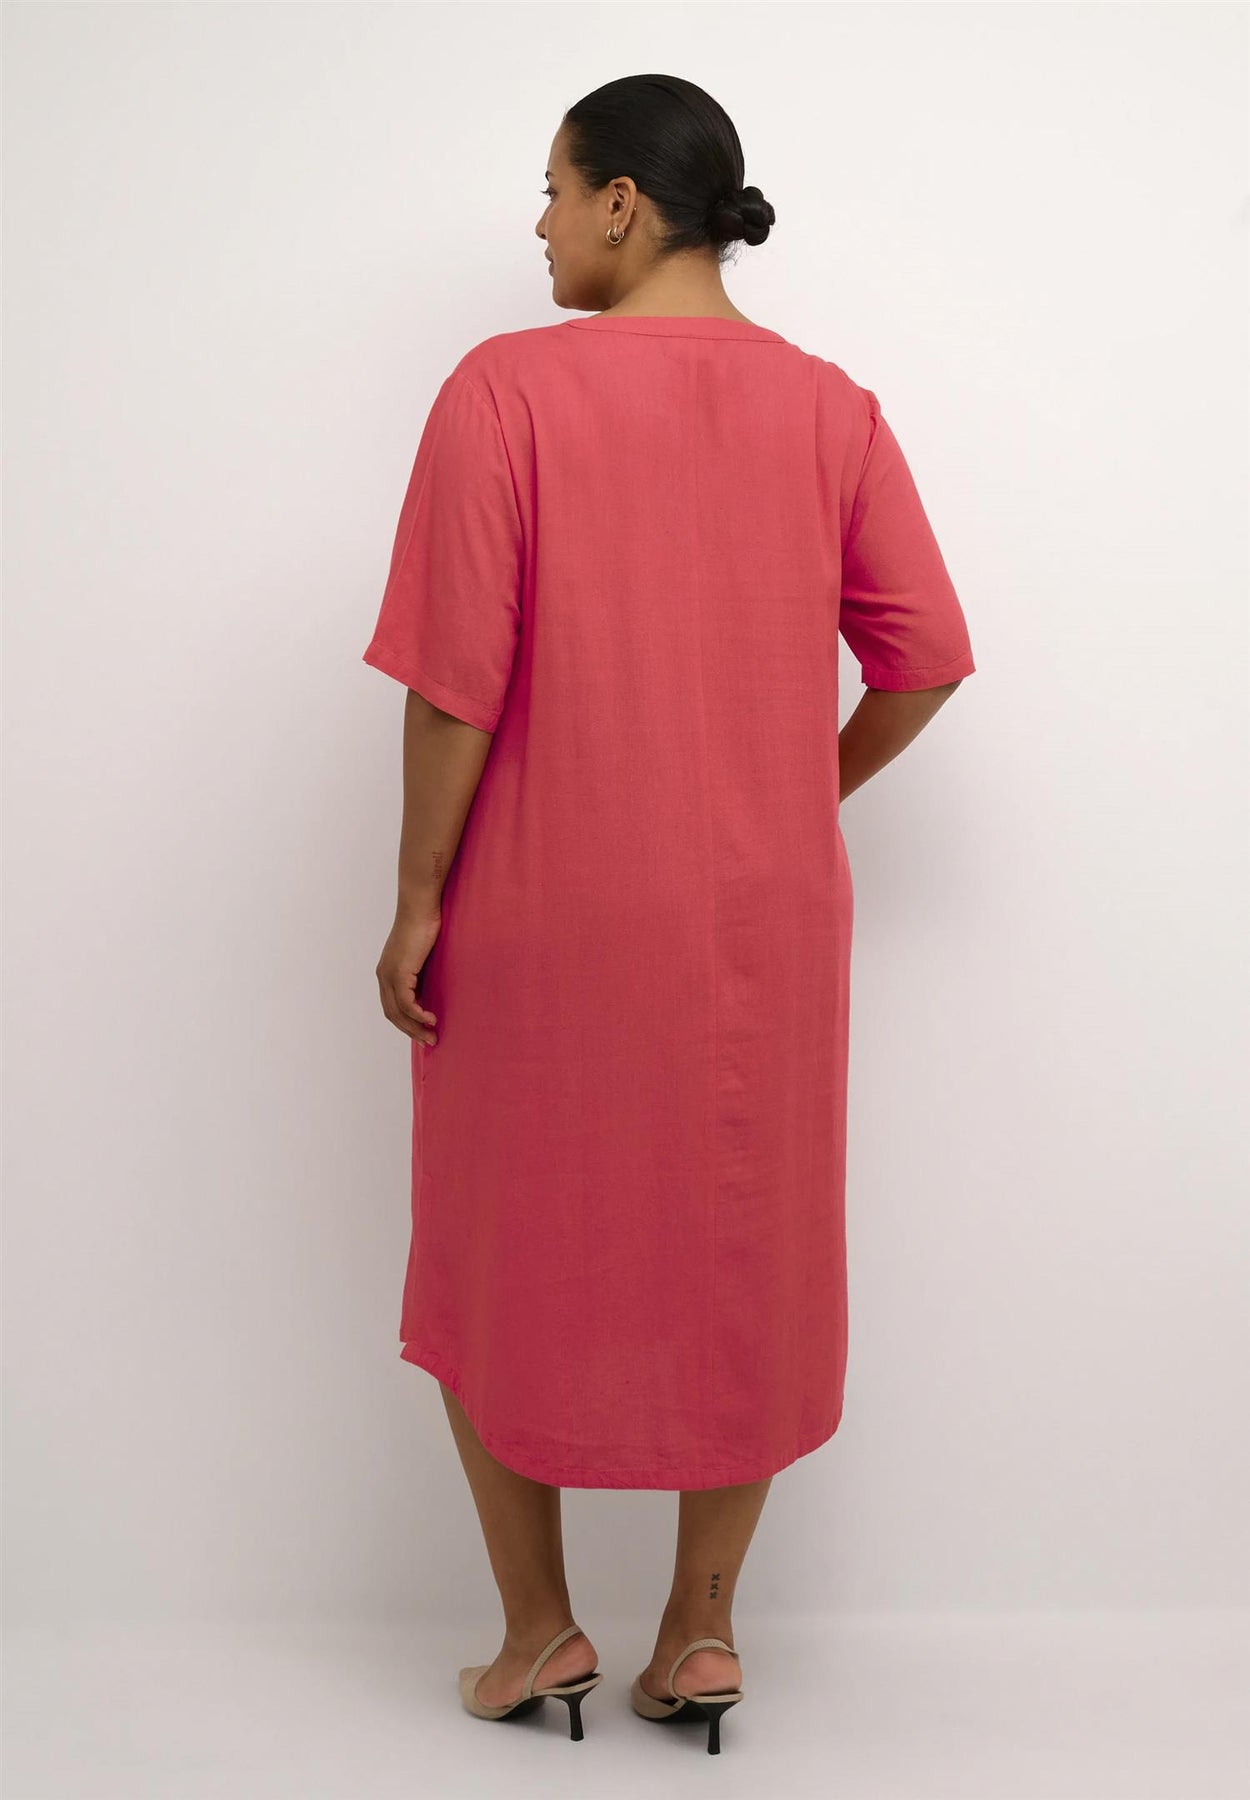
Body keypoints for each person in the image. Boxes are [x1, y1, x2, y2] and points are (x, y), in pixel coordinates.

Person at [362, 74, 976, 1754]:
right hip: (759, 929)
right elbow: (926, 659)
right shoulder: (830, 409)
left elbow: (450, 690)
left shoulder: (505, 390)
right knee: (742, 1247)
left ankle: (536, 1634)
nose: (542, 224)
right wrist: (794, 791)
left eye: (555, 191)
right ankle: (699, 1634)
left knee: (495, 1243)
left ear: (624, 203)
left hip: (539, 907)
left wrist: (413, 899)